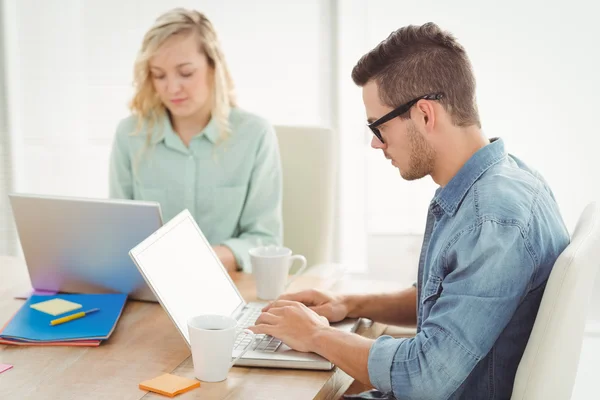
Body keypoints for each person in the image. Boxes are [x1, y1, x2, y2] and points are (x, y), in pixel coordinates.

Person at [250, 22, 569, 399]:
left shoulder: (493, 220)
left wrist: (316, 335)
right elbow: (445, 300)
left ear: (424, 115)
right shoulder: (502, 180)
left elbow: (424, 377)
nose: (374, 143)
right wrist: (348, 304)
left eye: (378, 126)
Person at [109, 8, 283, 272]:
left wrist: (198, 259)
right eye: (159, 75)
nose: (172, 88)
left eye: (186, 73)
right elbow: (118, 234)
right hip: (148, 291)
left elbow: (264, 240)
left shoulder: (255, 134)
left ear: (214, 67)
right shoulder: (130, 135)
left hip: (230, 287)